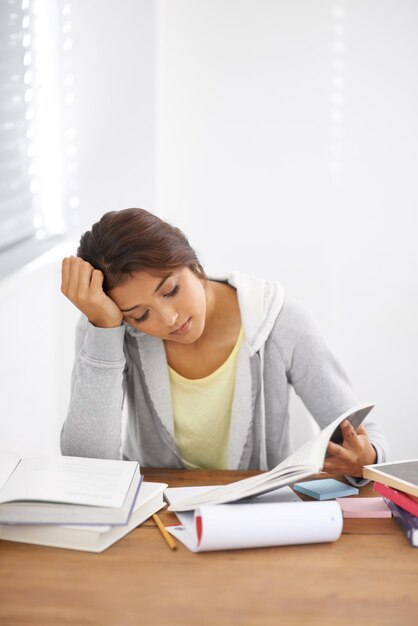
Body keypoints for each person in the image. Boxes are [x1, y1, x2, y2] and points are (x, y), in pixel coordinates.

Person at [60, 208, 388, 482]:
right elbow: (89, 467)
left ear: (192, 263)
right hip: (155, 518)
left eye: (171, 290)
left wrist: (365, 457)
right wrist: (103, 331)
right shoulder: (109, 328)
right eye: (141, 315)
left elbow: (365, 434)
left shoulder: (278, 320)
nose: (170, 319)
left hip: (257, 514)